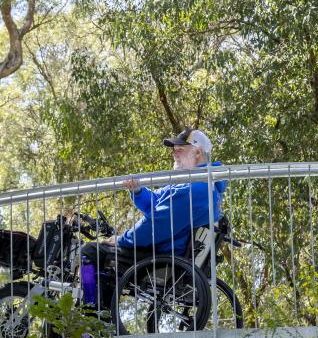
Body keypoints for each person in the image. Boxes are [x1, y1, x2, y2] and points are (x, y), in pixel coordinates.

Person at [80, 128, 227, 307]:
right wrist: (138, 191)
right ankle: (103, 314)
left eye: (179, 149)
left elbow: (156, 226)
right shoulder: (193, 183)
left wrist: (121, 239)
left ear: (197, 152)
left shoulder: (195, 189)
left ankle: (93, 314)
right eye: (173, 150)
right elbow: (157, 202)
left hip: (162, 256)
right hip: (165, 250)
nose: (174, 154)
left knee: (91, 252)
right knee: (105, 255)